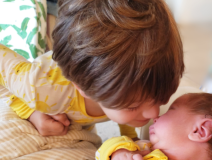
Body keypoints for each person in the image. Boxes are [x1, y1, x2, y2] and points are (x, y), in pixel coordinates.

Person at [0, 0, 184, 138]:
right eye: (132, 106)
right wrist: (30, 112)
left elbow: (124, 107)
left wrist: (131, 139)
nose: (154, 113)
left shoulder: (121, 90)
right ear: (83, 89)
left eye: (160, 98)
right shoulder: (39, 88)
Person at [96, 93, 212, 160]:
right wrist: (117, 153)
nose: (156, 116)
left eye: (171, 110)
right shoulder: (141, 148)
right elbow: (100, 152)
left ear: (200, 130)